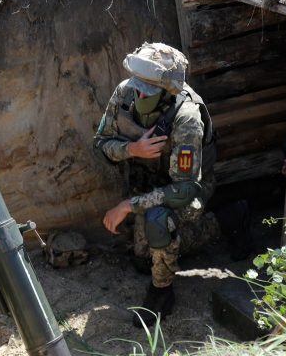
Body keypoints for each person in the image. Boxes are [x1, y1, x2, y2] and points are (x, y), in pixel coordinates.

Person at [94, 42, 220, 327]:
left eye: (146, 91)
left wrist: (127, 206)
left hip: (188, 190)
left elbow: (185, 188)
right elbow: (99, 144)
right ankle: (164, 248)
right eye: (136, 87)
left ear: (166, 93)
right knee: (142, 262)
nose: (137, 94)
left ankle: (162, 294)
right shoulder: (126, 92)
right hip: (151, 185)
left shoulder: (187, 117)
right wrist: (133, 150)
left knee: (157, 220)